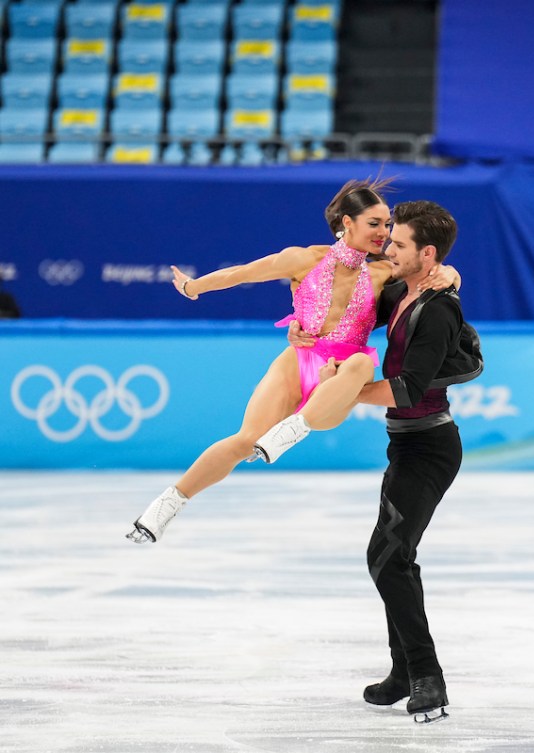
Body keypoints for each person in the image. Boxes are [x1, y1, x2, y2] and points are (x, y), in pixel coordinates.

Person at [125, 180, 460, 544]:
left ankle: (295, 428)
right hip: (299, 361)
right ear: (347, 223)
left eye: (386, 224)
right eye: (375, 224)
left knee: (363, 364)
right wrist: (193, 288)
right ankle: (165, 506)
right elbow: (242, 273)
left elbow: (429, 270)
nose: (384, 233)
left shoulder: (383, 271)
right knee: (246, 439)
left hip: (340, 376)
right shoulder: (303, 259)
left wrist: (451, 273)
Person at [273, 199, 482, 723]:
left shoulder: (437, 307)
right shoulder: (402, 292)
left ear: (425, 253)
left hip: (430, 447)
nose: (388, 247)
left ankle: (426, 676)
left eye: (400, 243)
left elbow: (409, 389)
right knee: (391, 556)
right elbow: (343, 307)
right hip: (406, 445)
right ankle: (405, 672)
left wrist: (346, 390)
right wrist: (305, 331)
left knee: (388, 558)